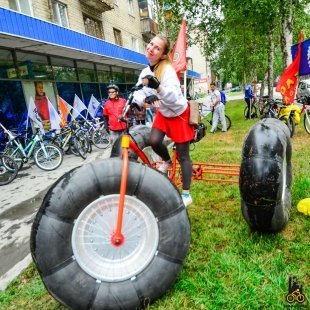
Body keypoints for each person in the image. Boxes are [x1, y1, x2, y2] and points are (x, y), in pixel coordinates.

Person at [133, 34, 195, 207]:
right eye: (151, 44)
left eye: (157, 48)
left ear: (163, 55)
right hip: (163, 114)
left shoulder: (167, 71)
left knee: (183, 156)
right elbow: (139, 91)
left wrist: (157, 87)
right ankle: (167, 161)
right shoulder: (146, 71)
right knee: (154, 141)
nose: (151, 48)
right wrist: (136, 101)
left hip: (178, 114)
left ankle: (186, 194)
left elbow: (174, 98)